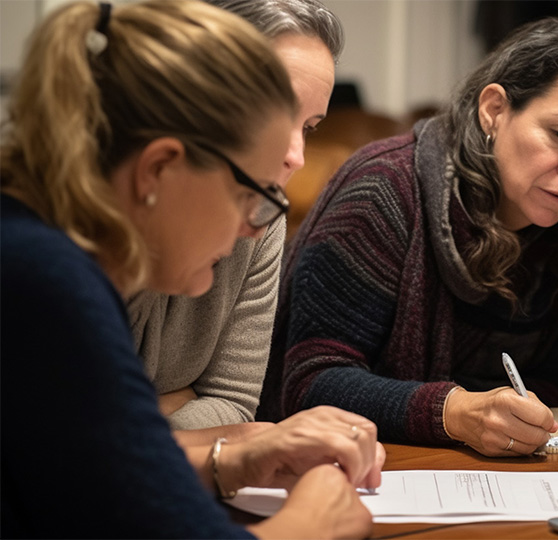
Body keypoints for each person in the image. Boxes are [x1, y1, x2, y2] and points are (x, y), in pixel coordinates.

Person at [1, 1, 375, 537]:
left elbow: (91, 466)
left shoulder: (40, 249)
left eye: (310, 127)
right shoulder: (45, 278)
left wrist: (226, 458)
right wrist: (314, 523)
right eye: (247, 195)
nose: (258, 224)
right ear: (158, 169)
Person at [258, 17, 558, 457]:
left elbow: (552, 384)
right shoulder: (385, 190)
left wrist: (522, 422)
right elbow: (312, 382)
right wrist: (453, 412)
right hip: (335, 464)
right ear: (494, 110)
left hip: (483, 475)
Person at [127, 0, 342, 430]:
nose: (296, 157)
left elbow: (233, 404)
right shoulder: (71, 233)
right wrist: (165, 411)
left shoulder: (263, 217)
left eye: (309, 127)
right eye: (277, 116)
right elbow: (79, 437)